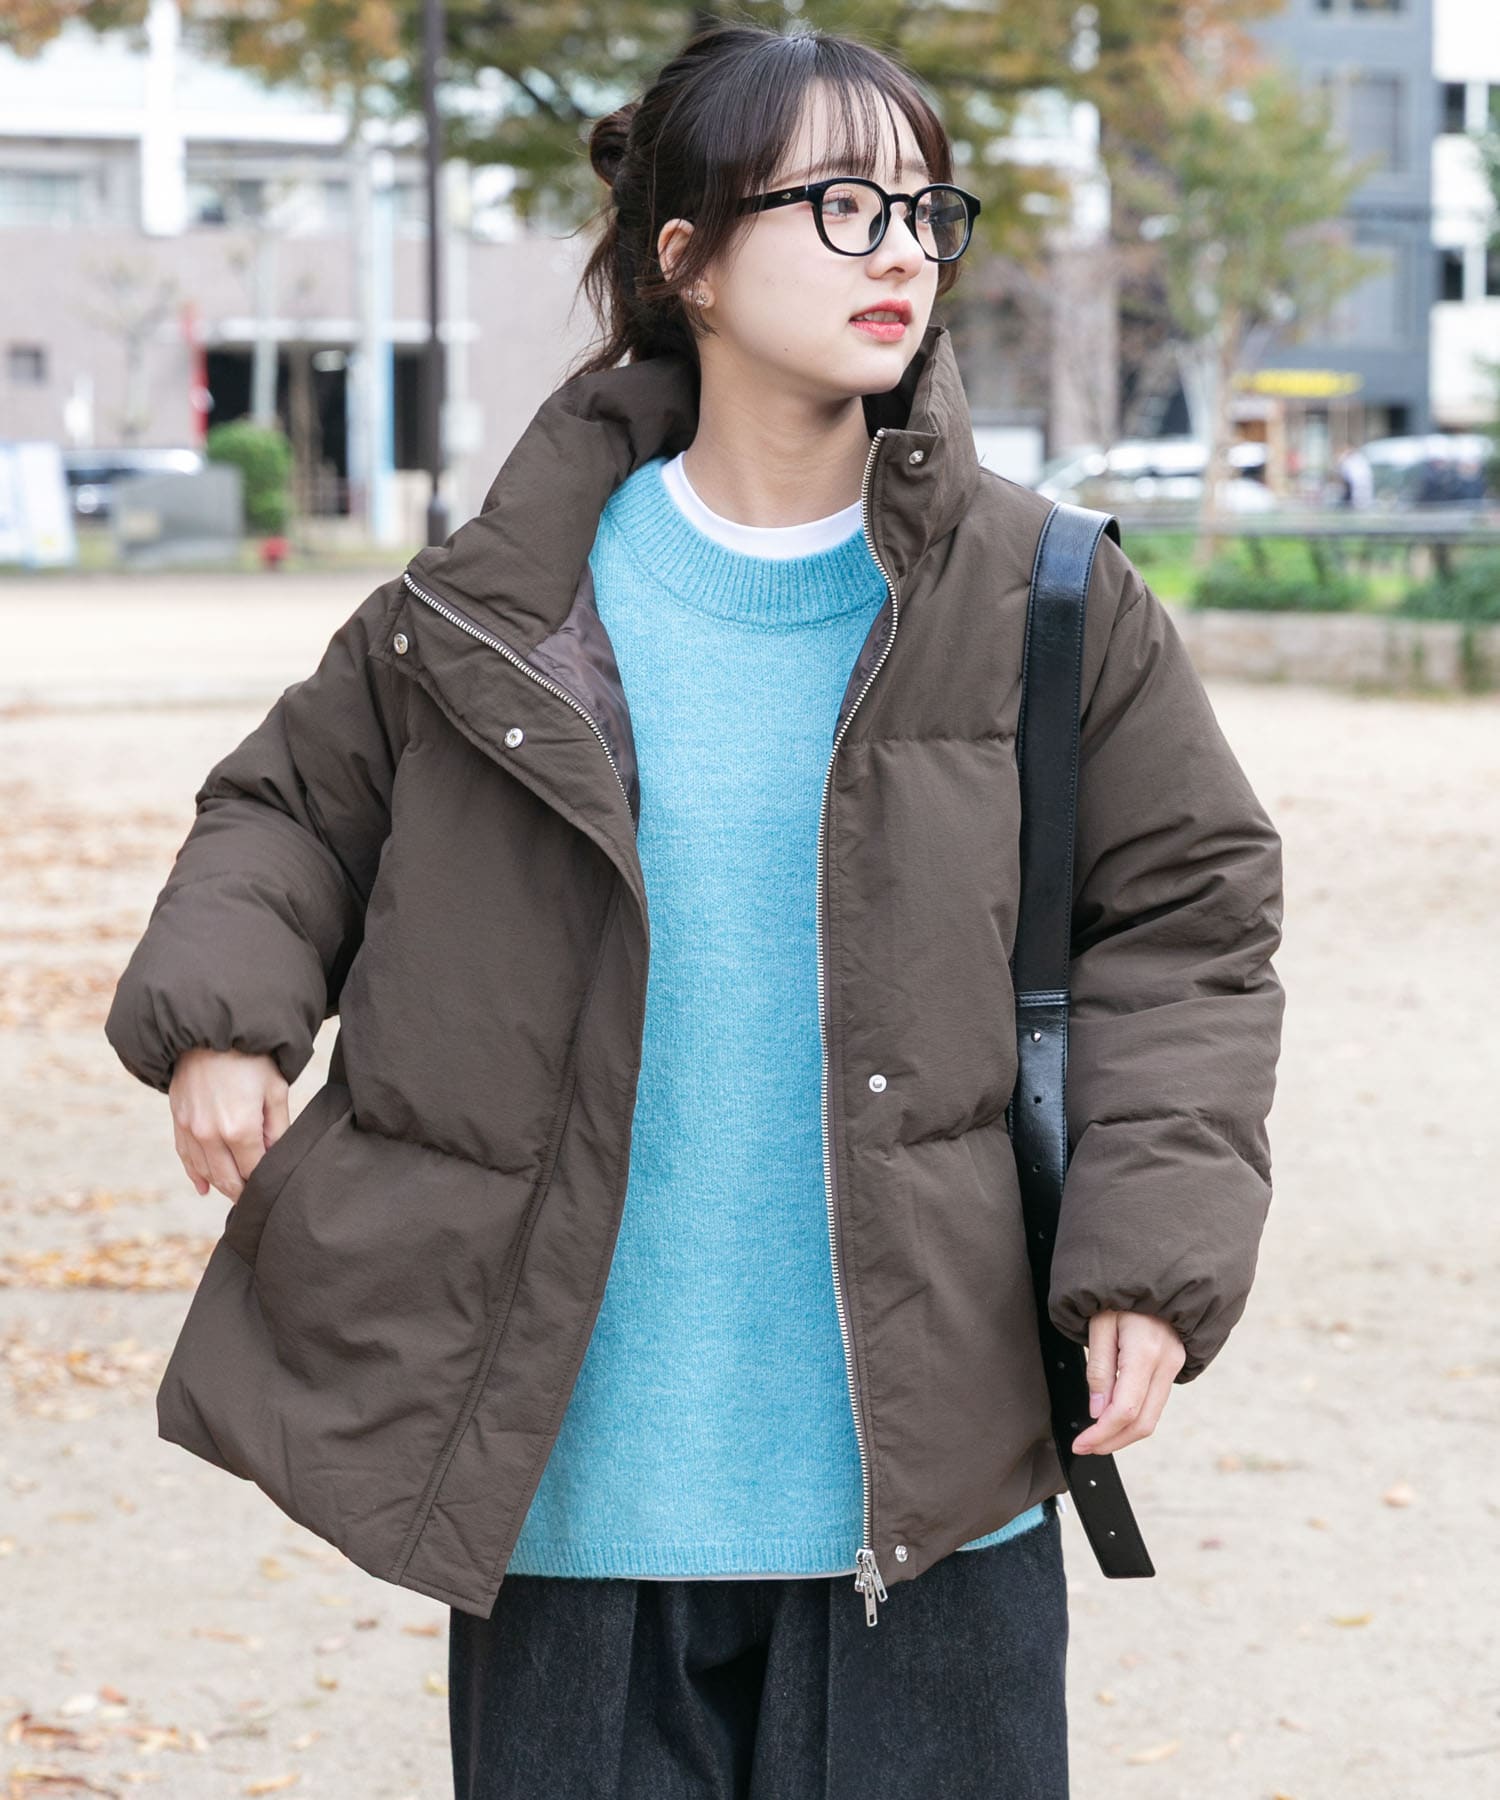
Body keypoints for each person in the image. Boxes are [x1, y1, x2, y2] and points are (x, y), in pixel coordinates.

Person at [103, 22, 1286, 1800]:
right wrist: (222, 1020)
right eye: (840, 204)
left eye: (924, 208)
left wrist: (1153, 1256)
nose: (901, 249)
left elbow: (1189, 922)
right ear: (691, 263)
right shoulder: (499, 601)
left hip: (929, 1488)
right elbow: (288, 810)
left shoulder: (1045, 596)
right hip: (573, 1500)